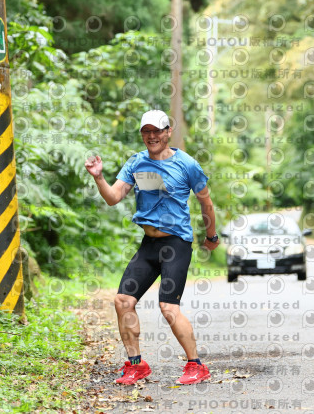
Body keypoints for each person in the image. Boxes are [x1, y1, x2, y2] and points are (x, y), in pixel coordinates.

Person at [84, 109, 220, 385]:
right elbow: (113, 198)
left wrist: (212, 236)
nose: (152, 136)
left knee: (168, 307)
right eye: (147, 131)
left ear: (168, 132)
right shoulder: (136, 163)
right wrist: (98, 177)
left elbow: (206, 202)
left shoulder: (187, 164)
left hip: (176, 243)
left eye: (158, 130)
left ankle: (196, 365)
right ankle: (136, 365)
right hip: (149, 245)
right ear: (142, 135)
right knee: (123, 301)